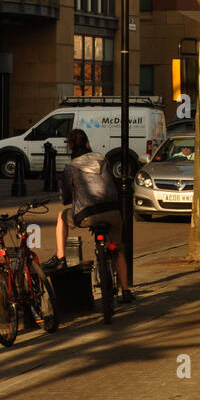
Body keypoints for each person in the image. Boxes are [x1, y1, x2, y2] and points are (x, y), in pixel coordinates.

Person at [44, 129, 134, 303]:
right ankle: (126, 290)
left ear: (70, 147)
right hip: (112, 211)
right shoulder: (103, 159)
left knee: (61, 217)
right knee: (117, 249)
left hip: (86, 214)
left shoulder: (70, 168)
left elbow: (65, 198)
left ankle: (61, 256)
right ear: (87, 143)